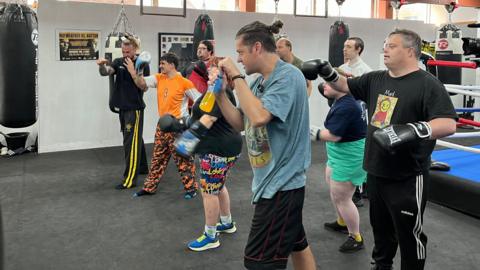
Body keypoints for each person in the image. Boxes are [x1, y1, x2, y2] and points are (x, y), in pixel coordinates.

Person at [301, 29, 457, 270]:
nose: (385, 49)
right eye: (385, 44)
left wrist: (413, 130)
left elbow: (448, 124)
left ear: (410, 51)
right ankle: (381, 265)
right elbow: (345, 84)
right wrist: (327, 71)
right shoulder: (376, 78)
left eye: (392, 46)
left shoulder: (428, 84)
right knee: (381, 229)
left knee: (408, 233)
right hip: (376, 169)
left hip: (407, 175)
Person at [216, 20, 317, 269]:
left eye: (240, 52)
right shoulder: (258, 82)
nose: (238, 59)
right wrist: (219, 94)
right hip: (269, 181)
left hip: (282, 185)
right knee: (297, 244)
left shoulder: (289, 76)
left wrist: (237, 77)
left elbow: (260, 117)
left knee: (259, 263)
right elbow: (241, 122)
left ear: (257, 48)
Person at [167, 67, 243, 251]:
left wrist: (185, 143)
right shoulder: (211, 92)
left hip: (217, 150)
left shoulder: (221, 92)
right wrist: (184, 123)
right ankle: (226, 222)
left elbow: (208, 119)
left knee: (209, 191)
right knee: (219, 186)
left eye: (215, 73)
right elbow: (200, 115)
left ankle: (210, 236)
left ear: (225, 77)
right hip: (223, 147)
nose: (210, 76)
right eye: (210, 73)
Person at [125, 52, 201, 199]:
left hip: (178, 127)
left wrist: (190, 122)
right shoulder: (159, 78)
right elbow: (141, 84)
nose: (160, 66)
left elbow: (199, 102)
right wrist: (137, 71)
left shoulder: (184, 82)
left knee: (184, 160)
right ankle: (149, 187)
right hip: (163, 126)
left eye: (163, 63)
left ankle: (191, 188)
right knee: (157, 158)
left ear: (172, 65)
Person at [311, 82, 366, 253]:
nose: (323, 86)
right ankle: (342, 222)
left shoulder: (347, 106)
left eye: (329, 83)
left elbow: (333, 136)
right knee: (334, 189)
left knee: (343, 197)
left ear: (342, 85)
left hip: (349, 155)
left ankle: (356, 237)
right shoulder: (342, 99)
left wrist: (310, 131)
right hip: (338, 154)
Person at [96, 35, 150, 190]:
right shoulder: (118, 62)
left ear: (135, 49)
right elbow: (106, 72)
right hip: (123, 107)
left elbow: (144, 87)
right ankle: (142, 168)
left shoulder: (142, 63)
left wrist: (133, 71)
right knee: (133, 139)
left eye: (128, 52)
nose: (125, 54)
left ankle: (129, 180)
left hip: (134, 108)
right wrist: (101, 65)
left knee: (129, 143)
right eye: (123, 51)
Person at [340, 37, 372, 207]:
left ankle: (359, 191)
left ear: (358, 49)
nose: (345, 49)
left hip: (359, 115)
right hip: (345, 115)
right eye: (344, 46)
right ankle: (358, 185)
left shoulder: (365, 71)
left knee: (358, 151)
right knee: (346, 151)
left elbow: (366, 96)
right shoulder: (342, 68)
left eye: (349, 47)